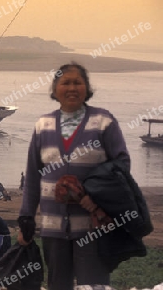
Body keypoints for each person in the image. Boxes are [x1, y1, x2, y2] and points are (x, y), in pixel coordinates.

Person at [18, 63, 130, 289]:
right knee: (58, 285)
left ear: (86, 88)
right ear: (55, 89)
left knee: (94, 285)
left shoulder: (103, 122)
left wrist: (95, 192)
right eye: (65, 83)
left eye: (77, 82)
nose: (72, 88)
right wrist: (26, 217)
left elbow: (122, 164)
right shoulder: (43, 125)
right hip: (53, 227)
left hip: (94, 225)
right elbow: (32, 176)